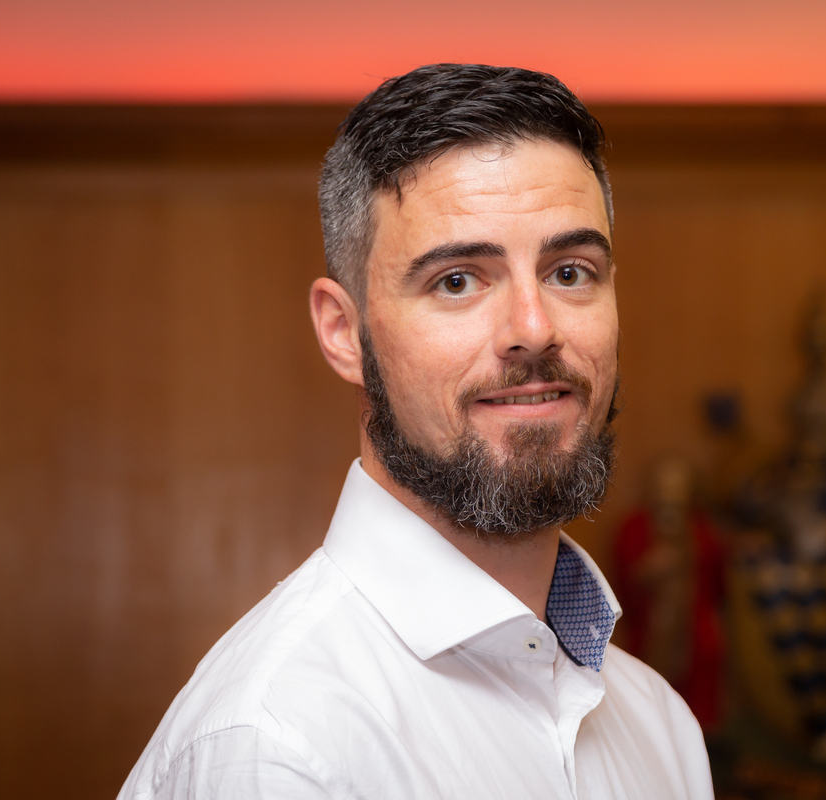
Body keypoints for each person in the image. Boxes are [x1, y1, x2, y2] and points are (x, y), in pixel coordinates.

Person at [118, 63, 714, 799]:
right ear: (344, 333)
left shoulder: (660, 727)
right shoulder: (278, 747)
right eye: (456, 280)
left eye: (570, 272)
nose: (534, 329)